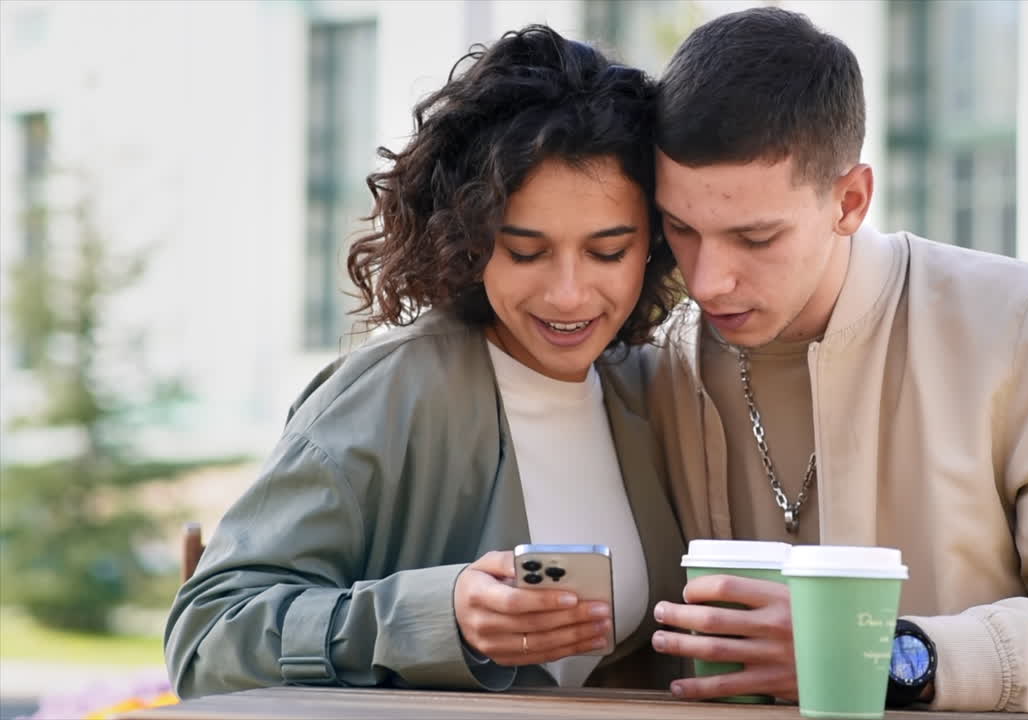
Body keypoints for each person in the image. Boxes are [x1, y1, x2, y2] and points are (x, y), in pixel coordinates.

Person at [641, 8, 1028, 719]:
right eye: (682, 230)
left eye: (755, 237)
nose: (707, 280)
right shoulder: (657, 365)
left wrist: (889, 655)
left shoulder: (1025, 327)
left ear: (850, 200)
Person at [165, 25, 686, 698]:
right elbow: (208, 638)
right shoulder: (390, 393)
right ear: (470, 240)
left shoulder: (648, 387)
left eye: (607, 251)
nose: (568, 293)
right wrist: (439, 617)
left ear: (654, 244)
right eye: (526, 251)